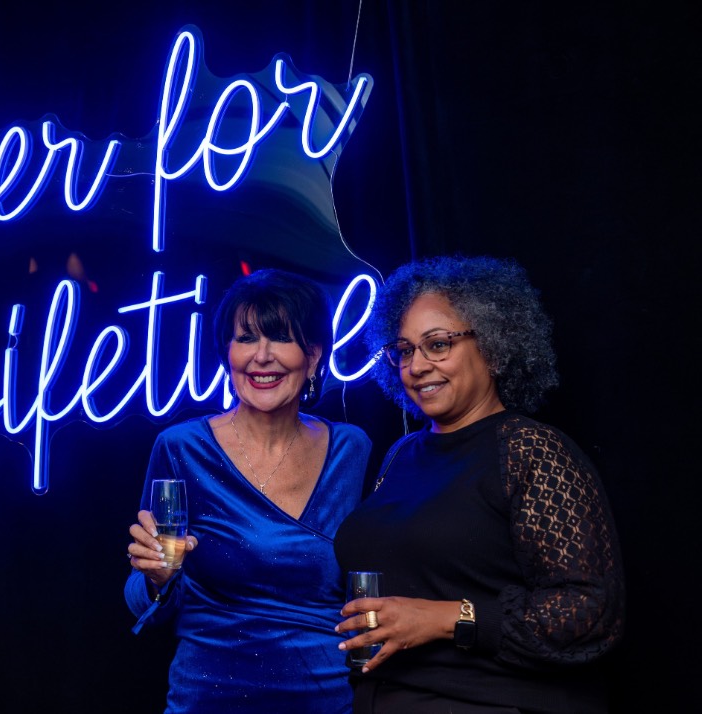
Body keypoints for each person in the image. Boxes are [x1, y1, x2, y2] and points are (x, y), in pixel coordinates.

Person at [333, 255, 625, 714]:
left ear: (492, 344)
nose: (417, 365)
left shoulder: (530, 449)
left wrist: (446, 618)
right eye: (405, 350)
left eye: (438, 344)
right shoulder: (401, 454)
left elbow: (589, 613)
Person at [125, 268, 372, 713]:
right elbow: (144, 593)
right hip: (208, 696)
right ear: (227, 353)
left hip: (324, 699)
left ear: (313, 355)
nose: (262, 356)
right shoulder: (182, 448)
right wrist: (158, 577)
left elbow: (368, 580)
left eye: (280, 338)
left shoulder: (351, 449)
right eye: (246, 338)